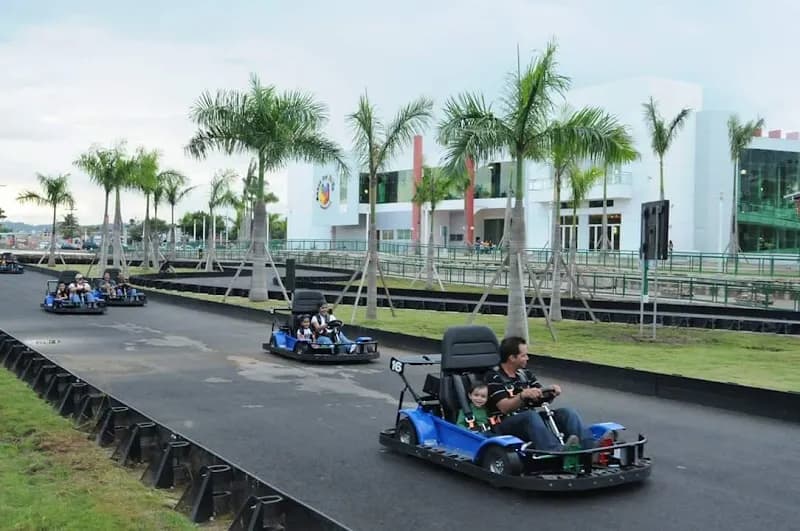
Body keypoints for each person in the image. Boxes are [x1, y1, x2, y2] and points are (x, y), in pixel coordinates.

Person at [485, 336, 601, 451]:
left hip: (529, 421)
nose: (527, 358)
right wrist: (522, 396)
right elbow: (504, 407)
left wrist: (550, 392)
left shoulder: (525, 374)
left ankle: (590, 448)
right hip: (505, 424)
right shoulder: (494, 377)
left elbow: (541, 397)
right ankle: (556, 451)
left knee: (567, 413)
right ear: (512, 358)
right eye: (524, 355)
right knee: (530, 416)